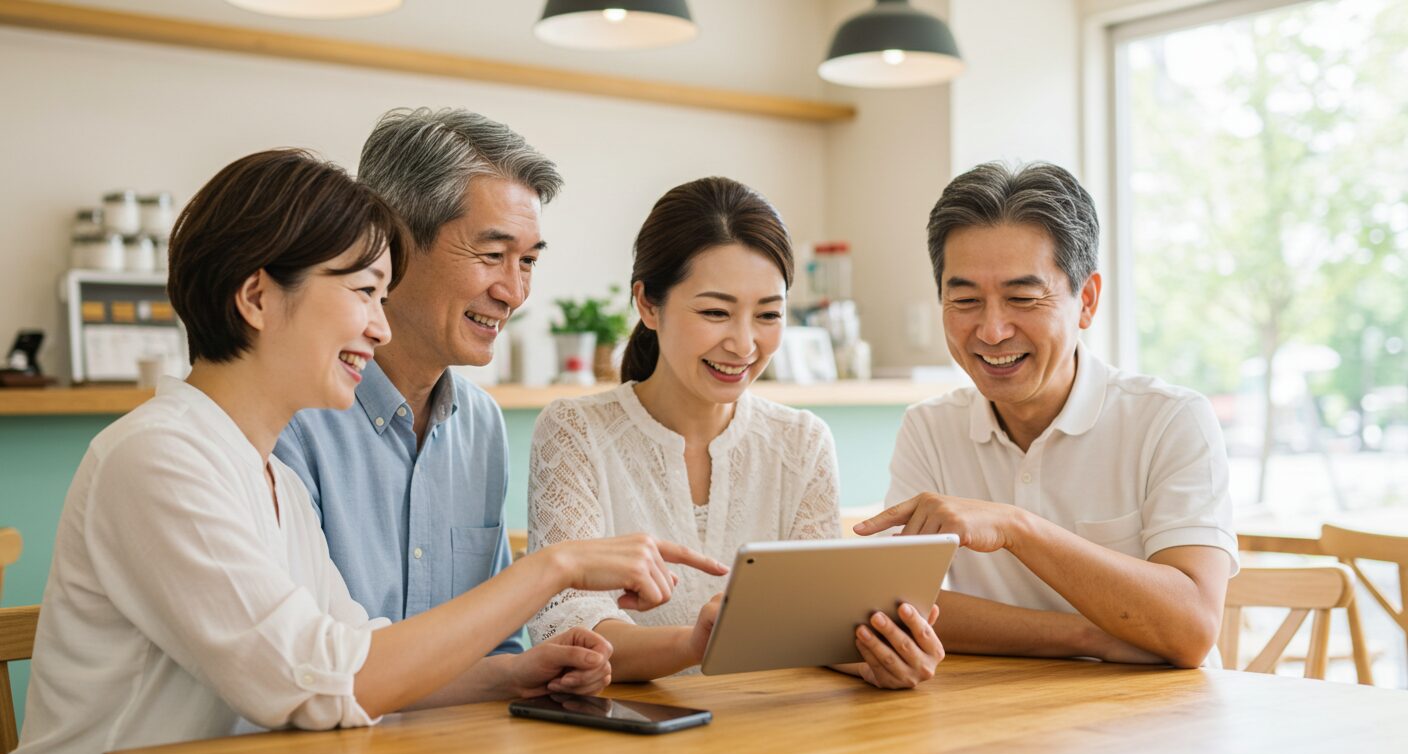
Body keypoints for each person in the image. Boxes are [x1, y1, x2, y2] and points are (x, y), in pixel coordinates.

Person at [5, 150, 723, 754]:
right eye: (363, 294)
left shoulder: (269, 475)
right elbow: (313, 683)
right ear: (257, 296)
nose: (379, 327)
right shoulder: (158, 458)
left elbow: (356, 656)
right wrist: (555, 566)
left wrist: (513, 676)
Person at [527, 177, 944, 689]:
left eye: (768, 314)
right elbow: (566, 625)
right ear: (647, 304)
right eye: (715, 312)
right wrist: (692, 645)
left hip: (769, 733)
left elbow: (812, 621)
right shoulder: (575, 431)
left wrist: (878, 656)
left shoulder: (802, 441)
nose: (744, 344)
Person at [854, 161, 1238, 668]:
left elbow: (1190, 630)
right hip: (998, 721)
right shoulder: (930, 428)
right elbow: (894, 605)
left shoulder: (1170, 420)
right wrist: (1087, 637)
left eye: (1023, 297)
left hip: (1160, 727)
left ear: (1087, 301)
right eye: (965, 299)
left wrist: (1017, 528)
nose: (991, 330)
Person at [273, 108, 563, 691]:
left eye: (528, 260)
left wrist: (529, 670)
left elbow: (494, 647)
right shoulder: (289, 415)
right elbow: (310, 673)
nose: (514, 291)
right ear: (393, 245)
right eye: (492, 254)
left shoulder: (479, 423)